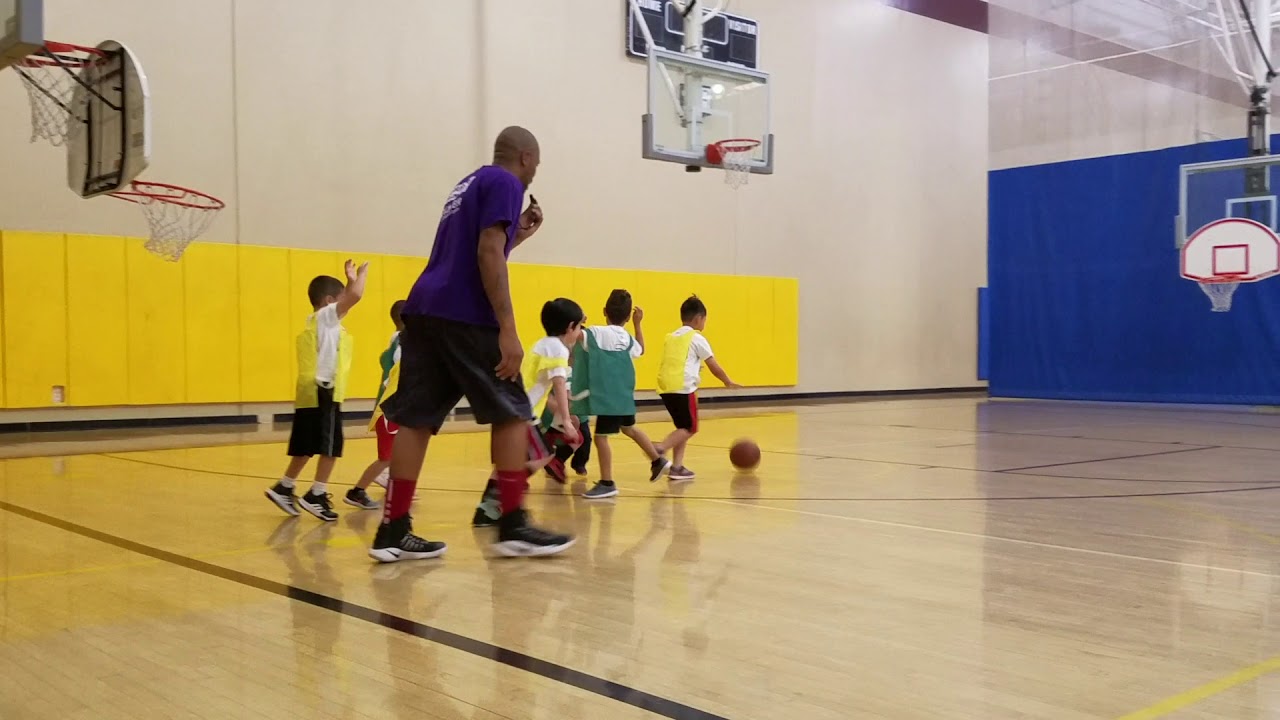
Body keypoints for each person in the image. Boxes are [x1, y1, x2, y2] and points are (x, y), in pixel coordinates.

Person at [370, 125, 574, 562]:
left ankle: (393, 529)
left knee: (417, 418)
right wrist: (507, 328)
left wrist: (517, 233)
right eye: (535, 164)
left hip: (425, 308)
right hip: (465, 311)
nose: (534, 173)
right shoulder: (505, 182)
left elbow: (487, 247)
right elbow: (486, 252)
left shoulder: (468, 184)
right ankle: (513, 523)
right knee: (514, 410)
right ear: (524, 157)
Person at [265, 260, 368, 520]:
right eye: (340, 301)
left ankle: (285, 486)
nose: (346, 307)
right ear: (329, 301)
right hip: (324, 390)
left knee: (306, 444)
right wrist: (360, 277)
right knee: (331, 446)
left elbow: (348, 299)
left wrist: (348, 280)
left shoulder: (320, 320)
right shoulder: (326, 317)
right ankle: (317, 494)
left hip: (310, 391)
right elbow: (355, 296)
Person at [473, 298, 585, 527]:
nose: (580, 331)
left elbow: (540, 388)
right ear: (570, 327)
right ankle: (508, 495)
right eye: (580, 326)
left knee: (511, 461)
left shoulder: (542, 344)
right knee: (543, 455)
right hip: (521, 413)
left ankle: (487, 510)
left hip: (511, 408)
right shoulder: (557, 348)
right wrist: (566, 420)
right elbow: (558, 384)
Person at [575, 290, 670, 499]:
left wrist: (579, 320)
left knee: (601, 438)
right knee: (630, 428)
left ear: (604, 311)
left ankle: (607, 482)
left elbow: (576, 335)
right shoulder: (627, 338)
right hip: (625, 396)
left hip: (609, 398)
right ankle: (657, 460)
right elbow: (641, 349)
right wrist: (638, 324)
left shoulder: (596, 332)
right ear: (628, 317)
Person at [653, 295, 741, 481]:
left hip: (665, 388)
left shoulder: (671, 336)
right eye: (705, 319)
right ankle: (660, 448)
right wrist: (727, 381)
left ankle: (677, 467)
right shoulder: (696, 337)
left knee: (681, 426)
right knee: (690, 427)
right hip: (684, 388)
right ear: (698, 319)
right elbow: (713, 365)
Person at [345, 300, 406, 510]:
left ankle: (393, 486)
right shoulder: (403, 346)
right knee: (386, 458)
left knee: (397, 455)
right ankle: (357, 491)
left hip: (392, 407)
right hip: (390, 410)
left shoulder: (395, 341)